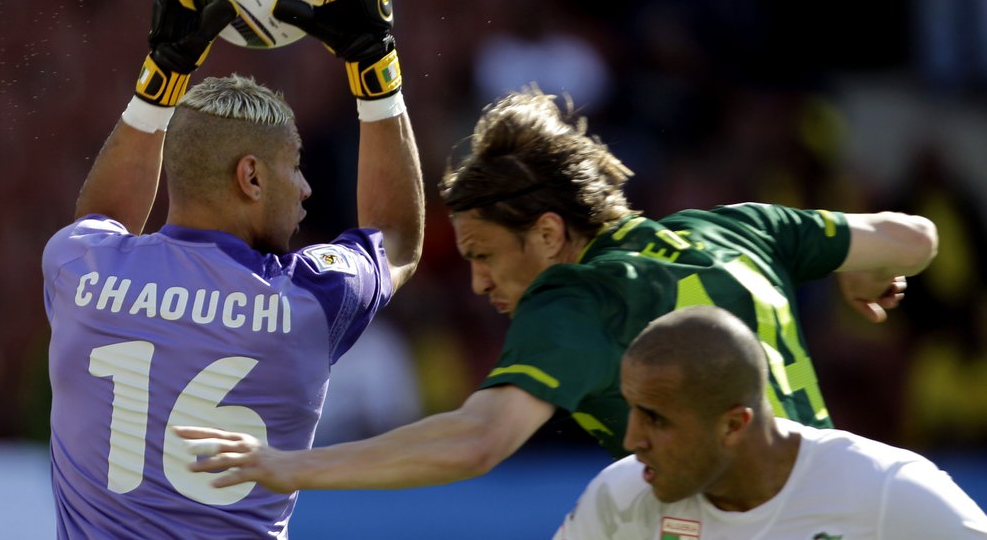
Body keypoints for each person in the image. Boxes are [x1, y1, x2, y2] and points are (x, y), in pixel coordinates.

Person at [175, 87, 938, 493]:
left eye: (483, 254)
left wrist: (290, 465)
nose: (477, 281)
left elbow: (478, 439)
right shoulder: (739, 226)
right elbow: (915, 238)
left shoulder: (578, 295)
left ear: (548, 233)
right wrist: (861, 265)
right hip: (825, 501)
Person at [41, 0, 424, 538]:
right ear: (251, 177)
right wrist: (374, 62)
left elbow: (101, 218)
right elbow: (397, 240)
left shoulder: (78, 269)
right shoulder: (310, 301)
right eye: (294, 167)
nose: (306, 189)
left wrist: (164, 70)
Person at [552, 304, 987, 538]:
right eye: (631, 408)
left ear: (733, 425)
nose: (632, 439)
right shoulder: (620, 497)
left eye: (656, 419)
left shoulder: (889, 489)